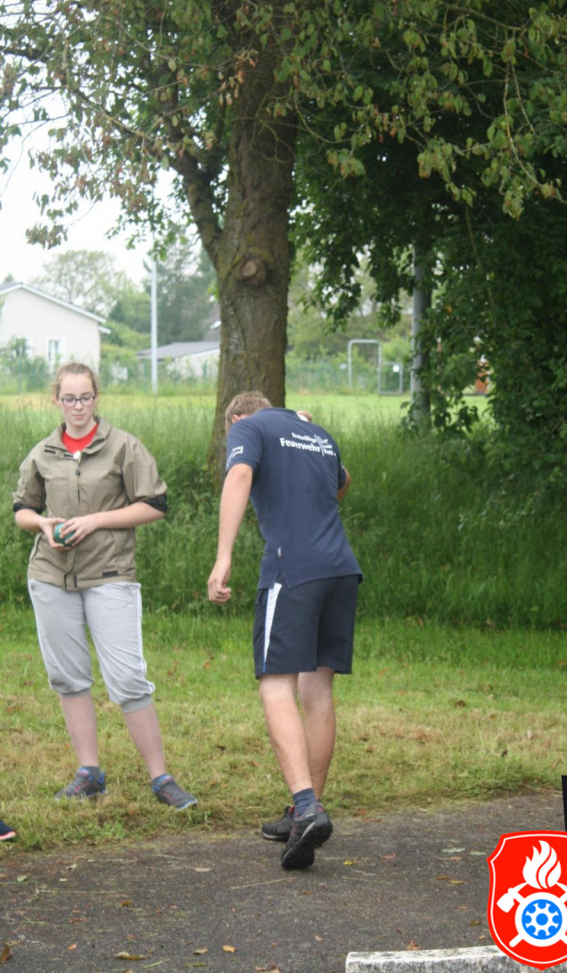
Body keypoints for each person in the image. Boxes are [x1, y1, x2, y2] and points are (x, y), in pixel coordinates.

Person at [13, 362, 196, 810]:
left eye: (85, 397)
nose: (77, 406)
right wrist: (43, 525)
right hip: (51, 577)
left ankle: (161, 778)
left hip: (110, 576)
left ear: (96, 398)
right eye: (69, 398)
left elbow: (156, 504)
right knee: (68, 676)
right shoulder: (42, 453)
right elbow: (22, 510)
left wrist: (95, 520)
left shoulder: (123, 447)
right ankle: (89, 773)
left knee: (128, 679)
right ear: (56, 400)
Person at [207, 392, 362, 870]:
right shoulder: (315, 433)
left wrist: (223, 557)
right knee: (318, 689)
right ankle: (304, 814)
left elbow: (239, 475)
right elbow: (342, 482)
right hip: (341, 569)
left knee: (275, 683)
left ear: (237, 417)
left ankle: (307, 806)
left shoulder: (248, 427)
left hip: (292, 570)